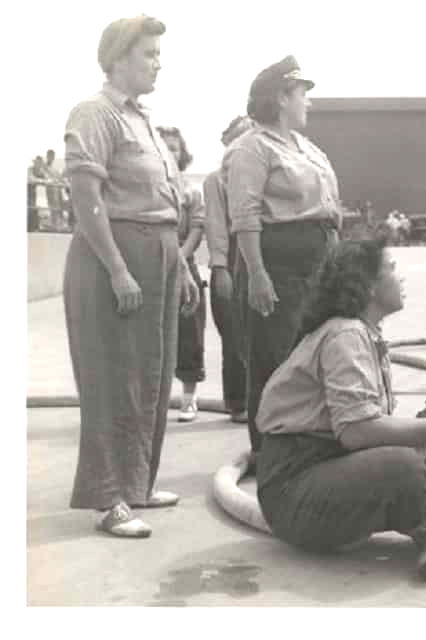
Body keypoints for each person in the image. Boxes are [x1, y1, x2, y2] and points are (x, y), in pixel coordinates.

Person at [255, 236, 426, 583]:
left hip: (331, 469)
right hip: (295, 492)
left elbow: (369, 432)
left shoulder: (364, 335)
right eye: (391, 269)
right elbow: (357, 433)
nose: (400, 277)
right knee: (402, 466)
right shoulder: (345, 334)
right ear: (368, 286)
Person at [62, 15, 199, 537]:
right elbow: (86, 199)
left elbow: (162, 202)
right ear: (118, 58)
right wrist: (118, 270)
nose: (158, 62)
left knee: (153, 373)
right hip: (114, 254)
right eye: (149, 53)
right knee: (114, 378)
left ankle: (137, 483)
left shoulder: (144, 121)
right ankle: (109, 497)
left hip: (159, 253)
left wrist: (182, 264)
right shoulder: (95, 114)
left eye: (159, 53)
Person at [224, 55, 341, 457]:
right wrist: (257, 273)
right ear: (280, 98)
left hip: (318, 259)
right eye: (301, 93)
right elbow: (245, 215)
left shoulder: (308, 148)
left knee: (315, 357)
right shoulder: (251, 149)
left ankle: (308, 447)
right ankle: (272, 455)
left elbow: (329, 208)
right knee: (275, 360)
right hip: (278, 261)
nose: (308, 101)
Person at [204, 115, 254, 424]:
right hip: (233, 255)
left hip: (259, 251)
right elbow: (216, 226)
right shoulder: (215, 180)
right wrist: (221, 267)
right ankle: (238, 401)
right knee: (234, 335)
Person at [158, 126, 207, 422]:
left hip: (183, 262)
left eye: (174, 147)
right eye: (162, 145)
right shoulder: (144, 186)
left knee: (189, 332)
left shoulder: (191, 190)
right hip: (149, 263)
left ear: (182, 152)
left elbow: (198, 227)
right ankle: (154, 399)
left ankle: (189, 399)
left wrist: (180, 257)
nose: (168, 152)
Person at [44, 149, 65, 230]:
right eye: (49, 156)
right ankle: (54, 225)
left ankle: (58, 225)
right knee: (53, 207)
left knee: (59, 206)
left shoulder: (55, 168)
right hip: (50, 190)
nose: (51, 158)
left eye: (52, 156)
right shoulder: (44, 166)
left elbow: (59, 177)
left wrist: (62, 181)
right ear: (47, 156)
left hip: (58, 190)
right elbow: (46, 177)